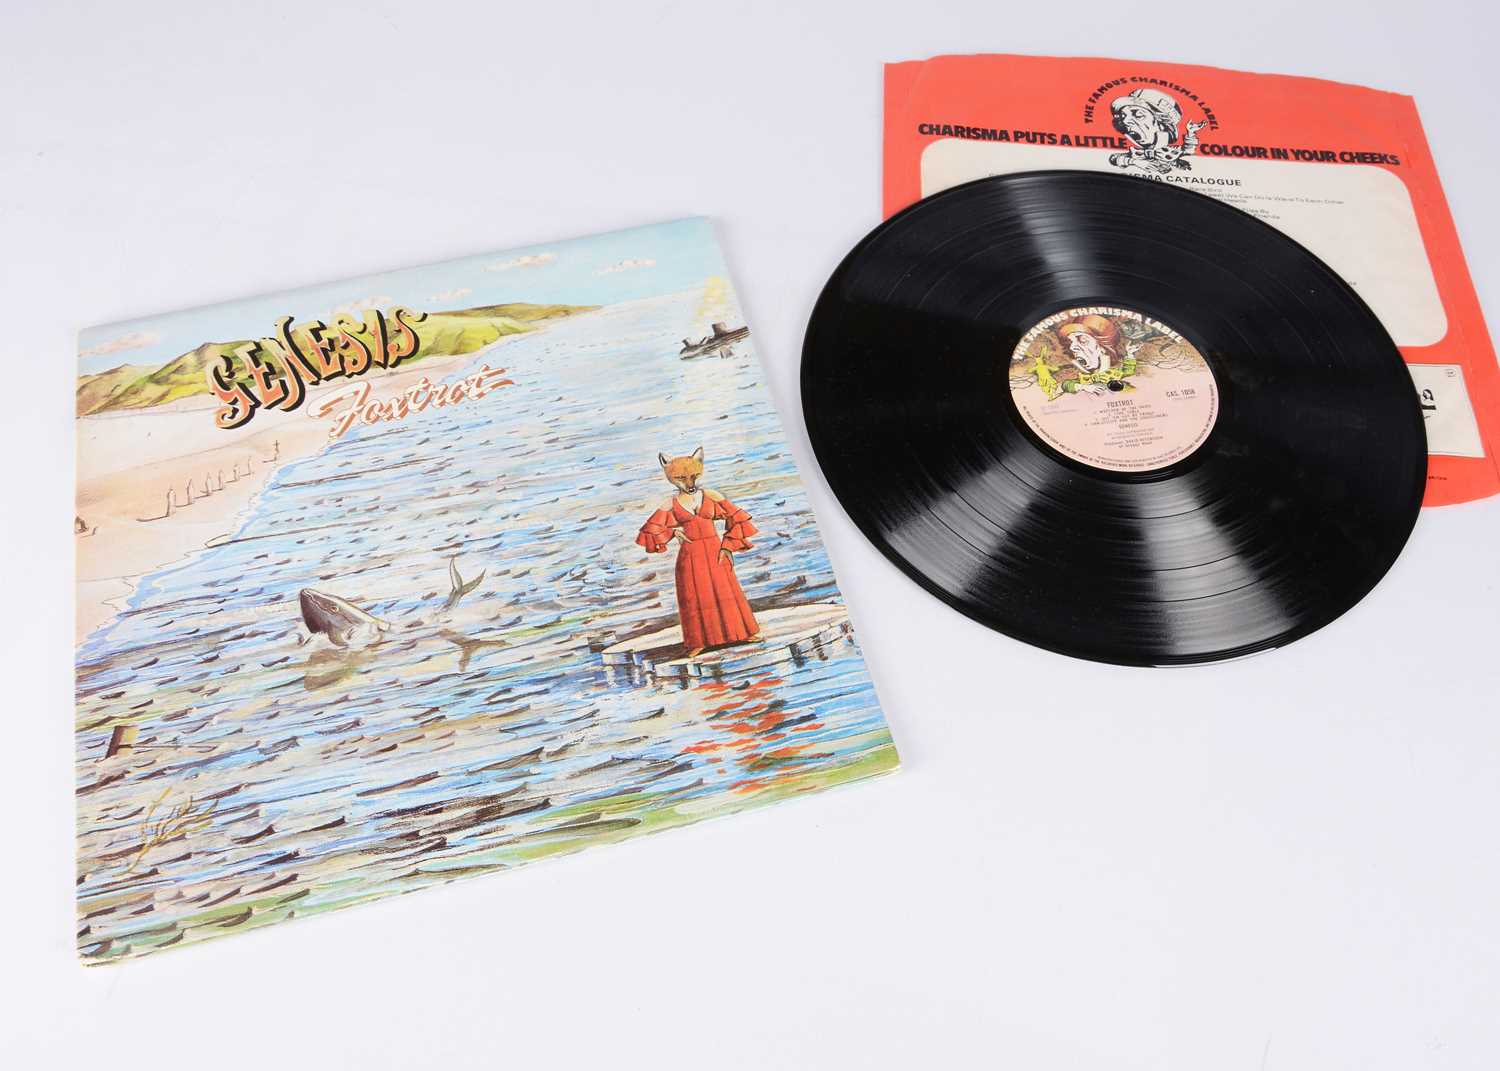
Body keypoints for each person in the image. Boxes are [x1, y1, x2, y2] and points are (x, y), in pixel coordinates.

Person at [636, 447, 761, 657]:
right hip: (690, 555)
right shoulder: (670, 503)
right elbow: (649, 531)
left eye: (694, 477)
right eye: (681, 479)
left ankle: (742, 632)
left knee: (726, 591)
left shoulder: (711, 496)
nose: (689, 483)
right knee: (694, 596)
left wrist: (728, 545)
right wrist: (673, 532)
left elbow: (739, 519)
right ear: (670, 476)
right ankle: (698, 641)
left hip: (715, 550)